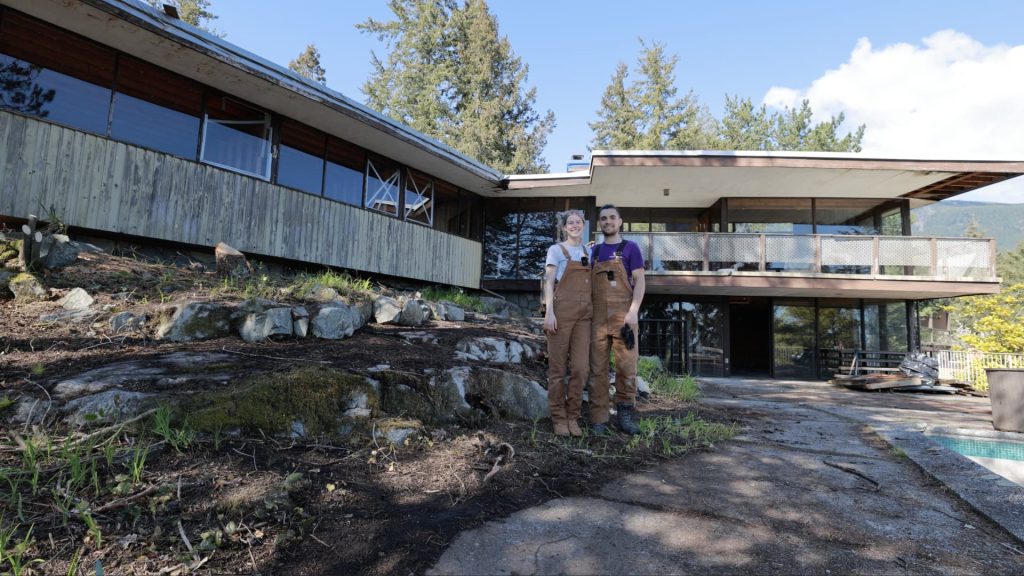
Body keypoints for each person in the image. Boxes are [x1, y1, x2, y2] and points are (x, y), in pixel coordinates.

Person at [589, 204, 646, 435]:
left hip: (625, 317)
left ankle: (625, 415)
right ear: (600, 223)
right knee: (597, 370)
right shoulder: (594, 251)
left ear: (620, 221)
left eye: (612, 218)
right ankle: (598, 419)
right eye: (603, 218)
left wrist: (633, 311)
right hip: (597, 318)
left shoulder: (631, 248)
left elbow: (640, 281)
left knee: (626, 368)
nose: (607, 221)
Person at [543, 210, 592, 437]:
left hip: (584, 315)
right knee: (557, 368)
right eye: (570, 222)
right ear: (565, 228)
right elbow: (549, 281)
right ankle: (559, 418)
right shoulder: (556, 250)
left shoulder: (588, 252)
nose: (574, 225)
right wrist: (549, 312)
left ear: (583, 226)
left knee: (581, 368)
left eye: (578, 222)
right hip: (561, 312)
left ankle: (573, 416)